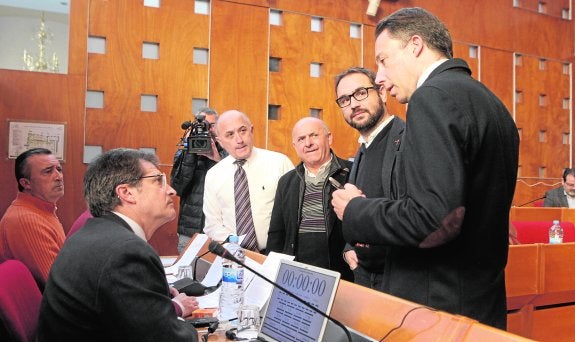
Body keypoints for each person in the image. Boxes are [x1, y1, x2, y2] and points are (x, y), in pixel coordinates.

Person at [331, 7, 519, 329]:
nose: (379, 77)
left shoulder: (430, 97)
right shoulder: (491, 102)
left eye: (383, 60)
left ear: (415, 45)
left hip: (438, 307)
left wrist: (356, 210)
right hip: (481, 302)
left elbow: (434, 219)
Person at [38, 148, 199, 342]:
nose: (172, 190)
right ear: (126, 192)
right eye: (158, 181)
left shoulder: (98, 232)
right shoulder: (125, 252)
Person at [333, 67, 405, 289]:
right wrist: (349, 248)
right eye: (345, 99)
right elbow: (357, 211)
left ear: (382, 93)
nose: (354, 104)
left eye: (361, 93)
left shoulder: (407, 139)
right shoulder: (363, 148)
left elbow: (414, 212)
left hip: (399, 277)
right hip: (365, 275)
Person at [267, 117, 353, 281]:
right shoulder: (286, 182)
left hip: (341, 272)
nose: (308, 143)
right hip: (296, 274)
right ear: (295, 146)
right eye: (301, 139)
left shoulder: (353, 173)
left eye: (313, 135)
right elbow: (276, 234)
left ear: (329, 138)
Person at [203, 110, 294, 252]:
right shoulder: (213, 175)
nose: (239, 140)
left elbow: (295, 213)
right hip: (234, 255)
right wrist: (236, 245)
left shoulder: (279, 163)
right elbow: (212, 225)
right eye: (230, 135)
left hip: (277, 254)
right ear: (220, 141)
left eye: (243, 130)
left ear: (251, 130)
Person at [0, 148, 65, 291]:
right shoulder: (26, 220)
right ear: (26, 183)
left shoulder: (43, 210)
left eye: (59, 169)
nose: (58, 176)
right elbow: (60, 284)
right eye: (48, 171)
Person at [171, 107, 226, 252]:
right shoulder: (184, 152)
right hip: (190, 232)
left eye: (211, 125)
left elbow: (235, 184)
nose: (206, 129)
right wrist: (189, 152)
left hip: (220, 232)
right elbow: (178, 188)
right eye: (202, 125)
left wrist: (217, 158)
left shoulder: (228, 151)